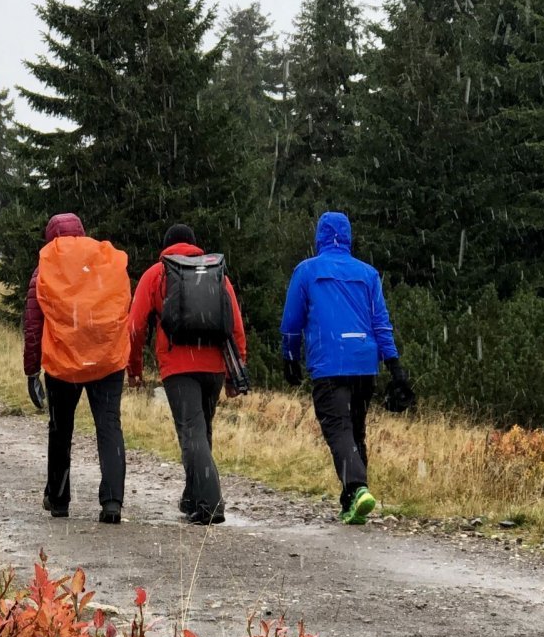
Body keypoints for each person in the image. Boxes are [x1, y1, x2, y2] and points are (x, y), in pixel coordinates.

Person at [279, 210, 414, 525]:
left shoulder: (308, 271)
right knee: (355, 430)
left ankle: (357, 487)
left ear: (319, 237)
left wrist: (289, 356)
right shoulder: (367, 274)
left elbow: (291, 321)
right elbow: (381, 324)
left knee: (338, 429)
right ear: (349, 237)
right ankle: (351, 503)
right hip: (364, 362)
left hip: (329, 362)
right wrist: (395, 367)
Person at [127, 224, 247, 526]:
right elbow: (235, 326)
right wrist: (236, 371)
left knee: (191, 433)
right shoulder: (216, 272)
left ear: (166, 246)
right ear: (194, 246)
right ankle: (193, 498)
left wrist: (134, 368)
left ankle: (210, 504)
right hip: (214, 366)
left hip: (179, 367)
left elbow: (135, 326)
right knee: (202, 431)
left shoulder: (157, 273)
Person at [23, 212, 131, 524]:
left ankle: (59, 499)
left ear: (51, 238)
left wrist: (32, 370)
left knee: (61, 429)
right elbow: (123, 305)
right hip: (106, 359)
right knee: (109, 426)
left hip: (62, 362)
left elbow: (33, 324)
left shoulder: (45, 268)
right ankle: (112, 502)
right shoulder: (105, 260)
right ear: (82, 232)